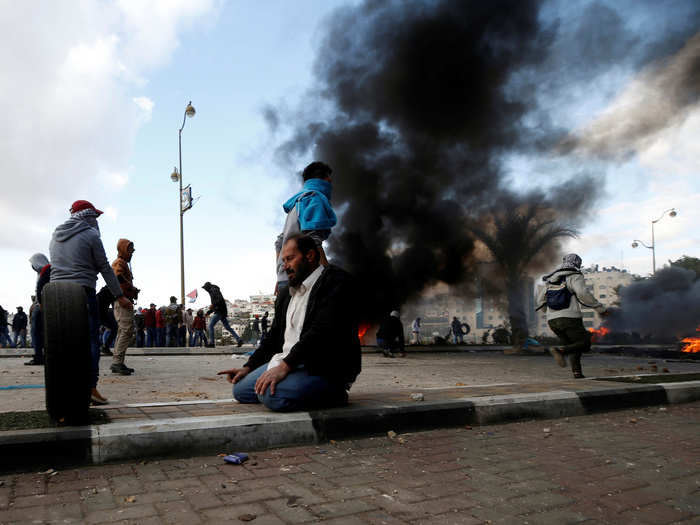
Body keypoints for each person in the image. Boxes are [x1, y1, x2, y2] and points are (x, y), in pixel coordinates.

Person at [218, 233, 361, 412]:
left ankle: (334, 393)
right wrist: (248, 367)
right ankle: (294, 386)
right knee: (240, 390)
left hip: (321, 367)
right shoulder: (287, 293)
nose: (285, 266)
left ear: (309, 255)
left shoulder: (336, 282)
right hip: (290, 363)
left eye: (290, 259)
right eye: (283, 261)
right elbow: (274, 337)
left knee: (271, 395)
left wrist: (285, 367)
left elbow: (322, 332)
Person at [49, 200, 131, 405]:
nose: (96, 221)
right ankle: (90, 387)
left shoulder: (56, 236)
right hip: (82, 291)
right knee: (90, 340)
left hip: (56, 294)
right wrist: (120, 295)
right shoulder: (91, 235)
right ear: (87, 216)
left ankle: (65, 389)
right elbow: (104, 267)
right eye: (94, 217)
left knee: (63, 342)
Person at [536, 253, 608, 379]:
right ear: (577, 263)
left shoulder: (550, 280)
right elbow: (582, 293)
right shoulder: (574, 275)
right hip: (570, 318)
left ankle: (577, 373)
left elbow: (540, 301)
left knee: (573, 346)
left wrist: (549, 313)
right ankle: (560, 351)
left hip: (552, 321)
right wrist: (599, 308)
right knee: (585, 342)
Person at [274, 161, 337, 295]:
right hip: (304, 279)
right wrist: (327, 275)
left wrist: (282, 274)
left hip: (287, 277)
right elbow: (313, 239)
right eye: (329, 181)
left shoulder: (297, 203)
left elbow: (279, 243)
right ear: (324, 180)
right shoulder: (313, 198)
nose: (331, 185)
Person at [111, 239, 139, 375]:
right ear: (123, 249)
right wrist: (129, 289)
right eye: (130, 250)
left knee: (123, 331)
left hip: (124, 299)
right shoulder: (120, 263)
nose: (132, 253)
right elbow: (117, 277)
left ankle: (118, 361)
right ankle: (117, 362)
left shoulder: (123, 263)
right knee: (126, 331)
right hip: (122, 301)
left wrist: (132, 290)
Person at [27, 253, 51, 365]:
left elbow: (41, 290)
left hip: (42, 307)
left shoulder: (47, 271)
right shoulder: (42, 272)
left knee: (36, 332)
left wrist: (39, 303)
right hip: (42, 305)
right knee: (42, 332)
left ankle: (38, 357)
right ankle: (41, 356)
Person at [202, 282, 242, 347]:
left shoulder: (213, 290)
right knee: (228, 327)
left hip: (219, 311)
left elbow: (219, 301)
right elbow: (216, 304)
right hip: (222, 311)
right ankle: (239, 339)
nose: (205, 290)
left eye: (205, 288)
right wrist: (208, 312)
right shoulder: (213, 290)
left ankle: (212, 343)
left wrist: (213, 305)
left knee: (211, 326)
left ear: (207, 287)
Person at [96, 286, 117, 356]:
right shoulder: (112, 292)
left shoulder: (101, 292)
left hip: (97, 313)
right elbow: (115, 307)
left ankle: (103, 346)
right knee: (114, 329)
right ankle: (105, 347)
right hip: (102, 314)